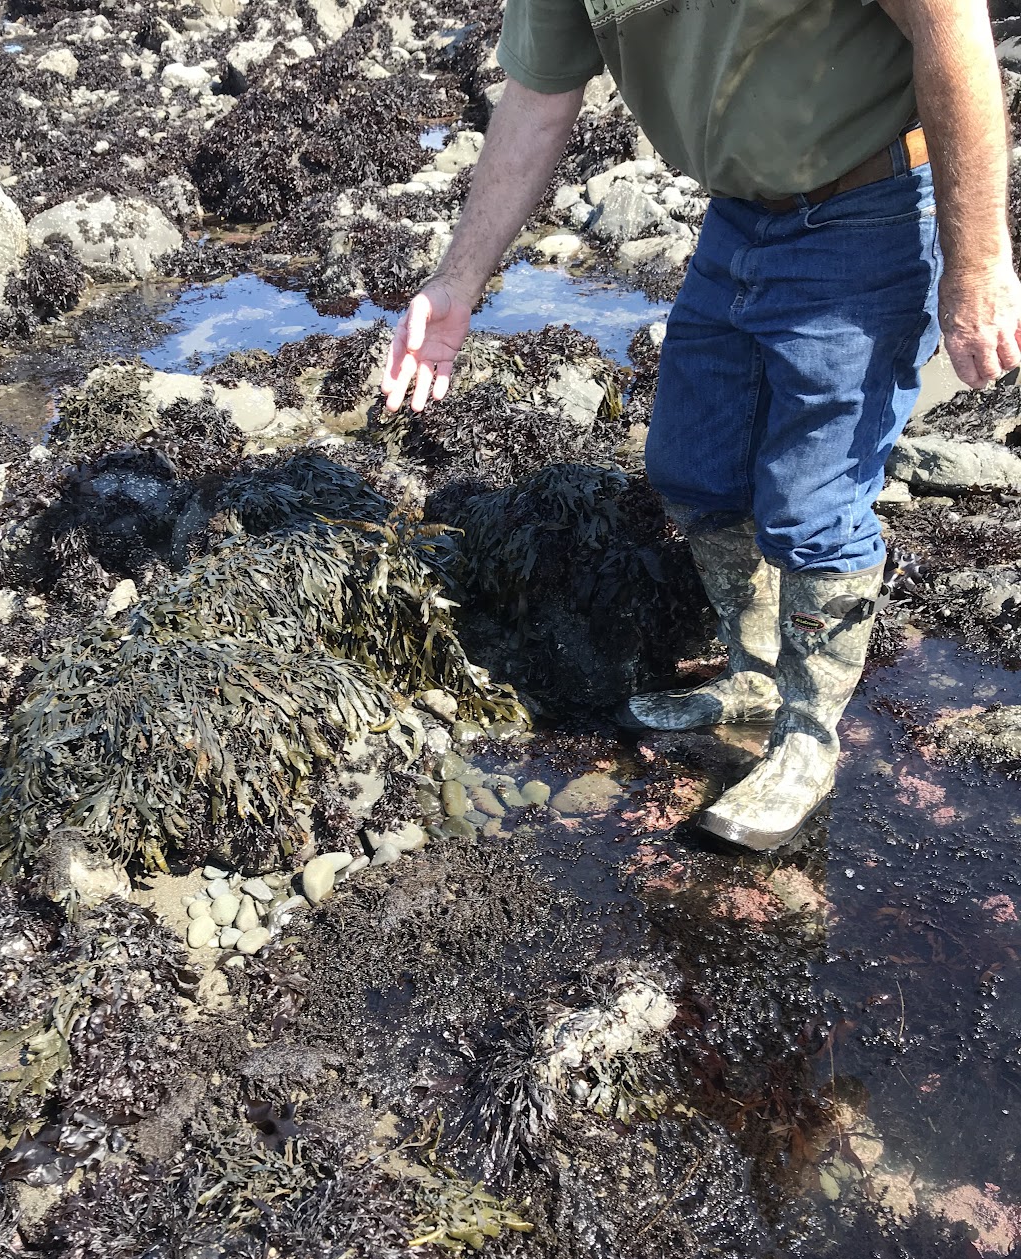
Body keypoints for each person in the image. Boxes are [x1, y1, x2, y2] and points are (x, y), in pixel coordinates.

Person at [381, 0, 1021, 851]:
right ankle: (754, 677)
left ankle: (807, 740)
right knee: (694, 467)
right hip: (737, 218)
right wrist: (457, 283)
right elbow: (538, 98)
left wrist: (977, 262)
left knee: (813, 508)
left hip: (870, 210)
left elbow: (954, 30)